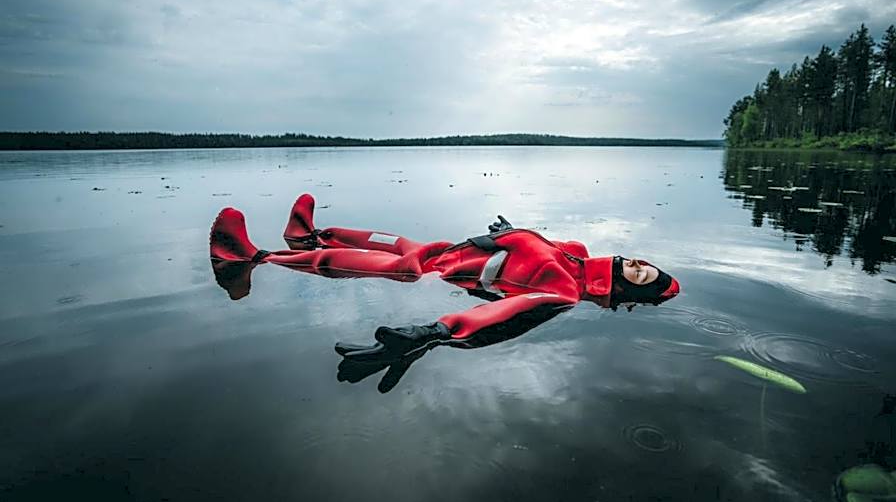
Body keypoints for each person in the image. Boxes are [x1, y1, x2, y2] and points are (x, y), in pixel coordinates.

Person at [210, 193, 680, 391]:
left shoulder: (562, 293)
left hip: (440, 273)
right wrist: (514, 231)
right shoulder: (575, 252)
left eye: (641, 275)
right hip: (448, 251)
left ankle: (249, 257)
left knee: (395, 263)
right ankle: (306, 234)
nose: (637, 264)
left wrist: (433, 332)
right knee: (391, 238)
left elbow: (505, 316)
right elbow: (537, 246)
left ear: (620, 291)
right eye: (643, 263)